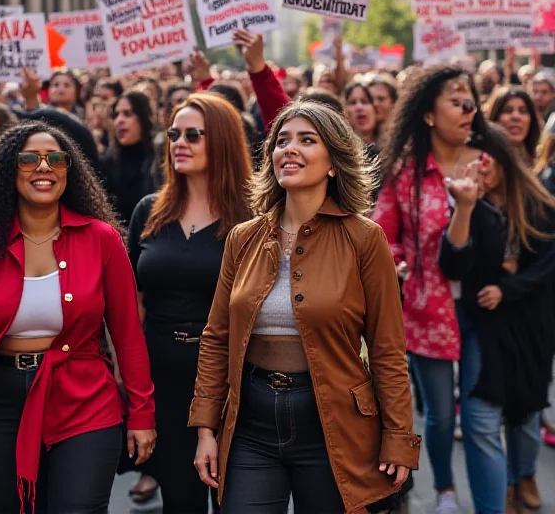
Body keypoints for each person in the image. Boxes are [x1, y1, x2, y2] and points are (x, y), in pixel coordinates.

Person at [190, 100, 420, 514]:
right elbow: (216, 338)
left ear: (333, 162)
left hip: (334, 421)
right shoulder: (243, 238)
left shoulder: (365, 238)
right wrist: (207, 428)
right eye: (282, 141)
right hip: (250, 423)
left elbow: (387, 348)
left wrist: (399, 437)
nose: (289, 149)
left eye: (306, 140)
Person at [0, 121, 156, 513]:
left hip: (85, 397)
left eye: (55, 158)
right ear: (8, 170)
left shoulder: (102, 238)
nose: (43, 167)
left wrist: (142, 413)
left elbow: (128, 335)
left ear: (70, 169)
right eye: (29, 158)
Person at [128, 94, 252, 511]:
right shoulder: (149, 210)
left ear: (221, 140)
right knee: (179, 500)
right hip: (162, 380)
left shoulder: (252, 216)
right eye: (173, 133)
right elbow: (134, 303)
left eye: (193, 134)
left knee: (236, 499)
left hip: (233, 382)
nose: (180, 141)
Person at [373, 65, 485, 514]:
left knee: (481, 415)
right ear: (428, 115)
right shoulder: (405, 173)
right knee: (440, 415)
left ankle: (504, 489)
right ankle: (444, 489)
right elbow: (384, 235)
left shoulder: (490, 165)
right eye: (455, 96)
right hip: (425, 310)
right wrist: (397, 264)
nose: (467, 105)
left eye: (470, 96)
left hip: (484, 308)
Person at [439, 124, 555, 513]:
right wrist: (466, 209)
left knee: (525, 413)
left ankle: (523, 474)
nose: (479, 168)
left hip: (530, 323)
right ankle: (501, 487)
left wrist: (509, 284)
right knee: (484, 415)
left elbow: (547, 264)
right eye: (471, 161)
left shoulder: (538, 203)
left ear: (503, 159)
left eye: (485, 159)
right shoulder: (470, 204)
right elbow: (455, 265)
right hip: (487, 327)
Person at [99, 91, 159, 226]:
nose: (120, 120)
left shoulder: (160, 160)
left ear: (143, 118)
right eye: (116, 115)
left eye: (127, 114)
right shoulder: (106, 163)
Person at [486, 86, 541, 166]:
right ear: (495, 117)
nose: (516, 117)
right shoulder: (483, 163)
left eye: (523, 111)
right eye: (507, 110)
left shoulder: (541, 163)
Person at [344, 81, 381, 158]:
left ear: (375, 109)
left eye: (365, 102)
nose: (359, 107)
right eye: (353, 102)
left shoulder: (392, 148)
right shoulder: (340, 151)